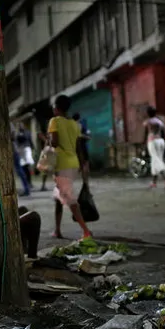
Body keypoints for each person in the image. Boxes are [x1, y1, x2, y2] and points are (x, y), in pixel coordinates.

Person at [48, 95, 92, 239]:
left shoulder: (54, 121)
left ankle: (86, 230)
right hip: (73, 163)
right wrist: (82, 164)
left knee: (70, 199)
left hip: (62, 163)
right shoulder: (74, 124)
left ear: (56, 107)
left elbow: (54, 143)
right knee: (58, 198)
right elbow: (79, 147)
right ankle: (57, 230)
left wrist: (47, 139)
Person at [143, 107, 165, 188]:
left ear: (148, 113)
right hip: (161, 141)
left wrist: (144, 144)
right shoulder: (160, 122)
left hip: (152, 141)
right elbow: (164, 134)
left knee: (156, 160)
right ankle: (154, 182)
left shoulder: (148, 122)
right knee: (155, 160)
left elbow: (145, 134)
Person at [11, 123, 31, 196]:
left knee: (20, 170)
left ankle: (27, 189)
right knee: (18, 171)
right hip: (14, 151)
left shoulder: (9, 124)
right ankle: (26, 188)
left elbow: (13, 136)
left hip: (14, 151)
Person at [16, 123, 35, 188]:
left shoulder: (27, 132)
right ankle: (27, 183)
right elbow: (17, 142)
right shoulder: (18, 133)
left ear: (24, 126)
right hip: (21, 150)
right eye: (19, 126)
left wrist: (33, 147)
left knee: (27, 166)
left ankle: (30, 182)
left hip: (27, 149)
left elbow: (30, 140)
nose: (20, 127)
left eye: (21, 125)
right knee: (23, 167)